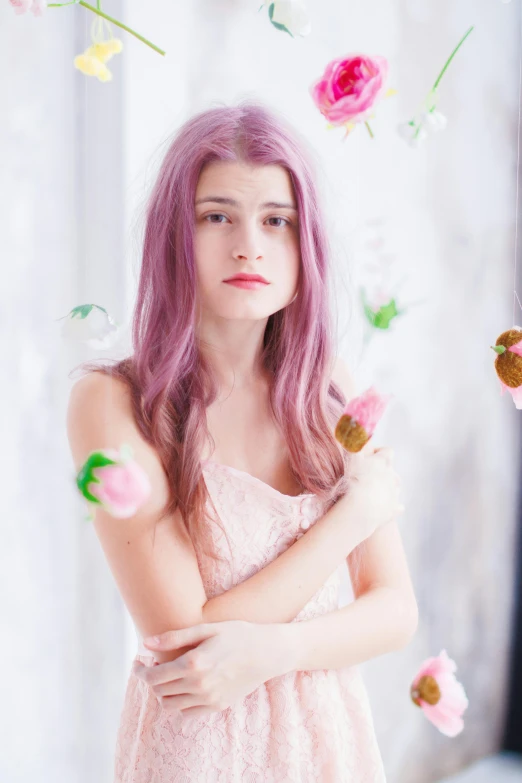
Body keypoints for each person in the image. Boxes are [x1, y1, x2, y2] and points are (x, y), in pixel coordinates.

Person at [66, 100, 417, 782]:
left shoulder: (329, 389)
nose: (250, 245)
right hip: (199, 746)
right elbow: (182, 634)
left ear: (303, 242)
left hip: (327, 742)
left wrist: (269, 653)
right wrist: (354, 515)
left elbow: (395, 611)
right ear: (175, 233)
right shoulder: (114, 403)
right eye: (217, 215)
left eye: (276, 220)